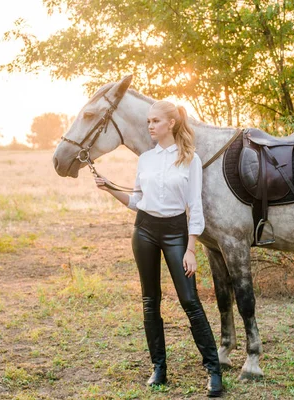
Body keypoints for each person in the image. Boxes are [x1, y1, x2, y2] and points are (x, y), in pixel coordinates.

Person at [95, 100, 223, 397]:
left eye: (155, 121)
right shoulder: (146, 159)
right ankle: (159, 368)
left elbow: (196, 208)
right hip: (145, 231)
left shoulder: (190, 159)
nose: (149, 126)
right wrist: (109, 187)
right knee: (150, 301)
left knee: (190, 301)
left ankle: (213, 371)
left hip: (176, 233)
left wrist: (191, 248)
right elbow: (137, 201)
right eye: (148, 121)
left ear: (171, 123)